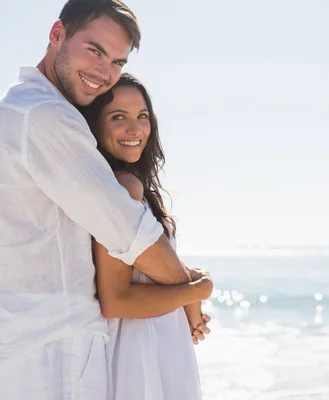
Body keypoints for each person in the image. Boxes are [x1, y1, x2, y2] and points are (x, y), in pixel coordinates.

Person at [0, 1, 210, 399]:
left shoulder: (22, 110)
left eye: (116, 61)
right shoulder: (42, 114)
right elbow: (128, 232)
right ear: (57, 34)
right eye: (95, 51)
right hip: (51, 355)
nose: (104, 72)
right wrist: (194, 293)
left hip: (41, 349)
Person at [79, 73, 209, 399]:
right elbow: (116, 300)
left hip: (157, 344)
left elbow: (145, 269)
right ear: (94, 126)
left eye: (142, 116)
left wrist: (187, 285)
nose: (135, 129)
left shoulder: (130, 185)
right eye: (118, 116)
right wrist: (197, 290)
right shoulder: (124, 187)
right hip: (141, 352)